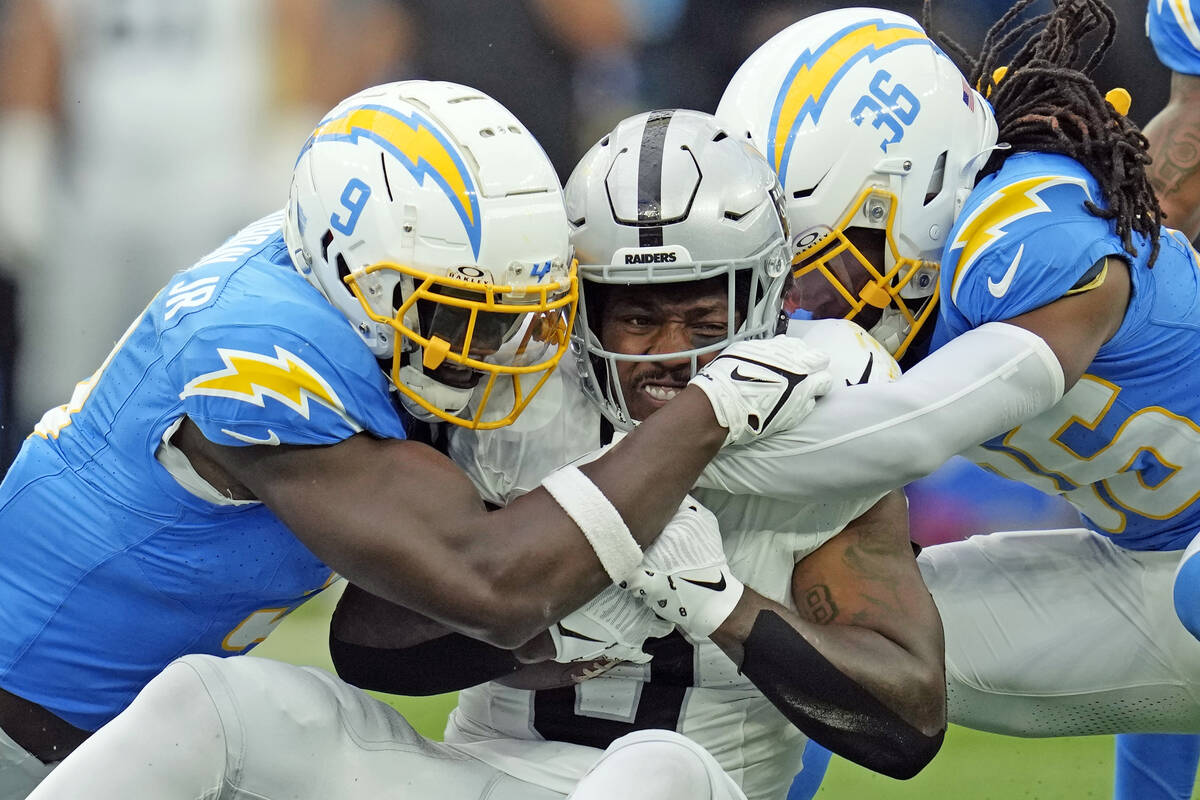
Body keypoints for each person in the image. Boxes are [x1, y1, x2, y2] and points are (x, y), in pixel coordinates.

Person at [21, 109, 944, 800]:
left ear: (764, 300)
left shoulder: (827, 415)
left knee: (656, 767)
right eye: (637, 314)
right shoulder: (521, 401)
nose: (670, 353)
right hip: (482, 773)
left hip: (694, 784)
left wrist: (722, 605)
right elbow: (370, 646)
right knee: (210, 699)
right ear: (581, 306)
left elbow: (907, 721)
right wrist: (550, 631)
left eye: (704, 319)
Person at [709, 0, 1200, 793]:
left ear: (920, 192)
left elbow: (907, 432)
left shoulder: (1021, 234)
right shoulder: (898, 295)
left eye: (818, 262)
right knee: (820, 620)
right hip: (1152, 566)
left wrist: (686, 450)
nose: (798, 300)